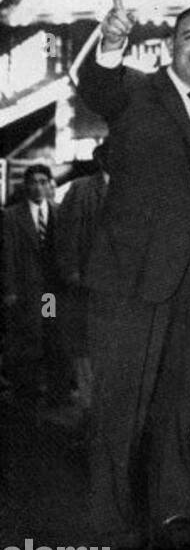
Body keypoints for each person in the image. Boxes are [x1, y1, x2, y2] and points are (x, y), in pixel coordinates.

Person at [75, 0, 190, 550]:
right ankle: (113, 533)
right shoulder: (134, 91)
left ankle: (175, 518)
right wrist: (113, 42)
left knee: (185, 411)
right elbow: (96, 86)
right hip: (128, 280)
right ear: (172, 44)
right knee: (120, 411)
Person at [1, 164, 71, 407]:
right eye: (34, 182)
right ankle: (26, 391)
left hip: (51, 293)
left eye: (43, 181)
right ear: (26, 186)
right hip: (26, 289)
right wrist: (9, 289)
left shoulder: (58, 211)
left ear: (50, 184)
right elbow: (7, 254)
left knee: (52, 335)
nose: (39, 187)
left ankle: (56, 392)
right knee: (28, 337)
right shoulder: (11, 216)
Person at [54, 141, 110, 410]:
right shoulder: (81, 189)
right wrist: (72, 271)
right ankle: (90, 413)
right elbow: (66, 234)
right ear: (100, 159)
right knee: (86, 350)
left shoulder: (136, 189)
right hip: (87, 285)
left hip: (123, 288)